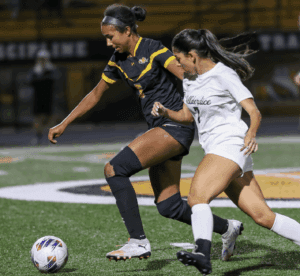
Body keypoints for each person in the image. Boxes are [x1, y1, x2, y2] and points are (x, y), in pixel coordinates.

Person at [48, 4, 243, 262]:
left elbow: (189, 73)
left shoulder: (152, 49)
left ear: (127, 31)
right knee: (169, 206)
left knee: (114, 169)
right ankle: (228, 228)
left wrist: (191, 108)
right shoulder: (118, 60)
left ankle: (137, 242)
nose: (108, 43)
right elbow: (96, 94)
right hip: (161, 129)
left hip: (174, 126)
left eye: (111, 36)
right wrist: (64, 122)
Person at [151, 28, 300, 275]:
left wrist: (251, 133)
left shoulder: (224, 74)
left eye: (179, 59)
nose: (177, 64)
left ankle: (201, 253)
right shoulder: (190, 79)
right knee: (263, 216)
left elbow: (254, 111)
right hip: (220, 150)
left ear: (192, 55)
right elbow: (188, 116)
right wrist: (167, 112)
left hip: (230, 145)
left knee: (197, 199)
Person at [27, 49, 59, 145]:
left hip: (49, 98)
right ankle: (38, 137)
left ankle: (51, 137)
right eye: (41, 59)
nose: (42, 61)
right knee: (38, 118)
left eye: (44, 59)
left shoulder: (51, 70)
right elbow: (30, 82)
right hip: (38, 98)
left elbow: (53, 81)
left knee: (50, 118)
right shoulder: (35, 71)